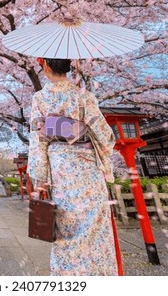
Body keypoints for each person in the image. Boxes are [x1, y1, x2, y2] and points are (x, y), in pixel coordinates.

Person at [27, 57, 118, 276]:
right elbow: (105, 137)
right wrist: (105, 164)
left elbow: (37, 141)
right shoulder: (84, 96)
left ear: (45, 66)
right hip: (88, 170)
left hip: (61, 171)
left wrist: (40, 180)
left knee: (66, 231)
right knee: (96, 230)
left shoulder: (40, 98)